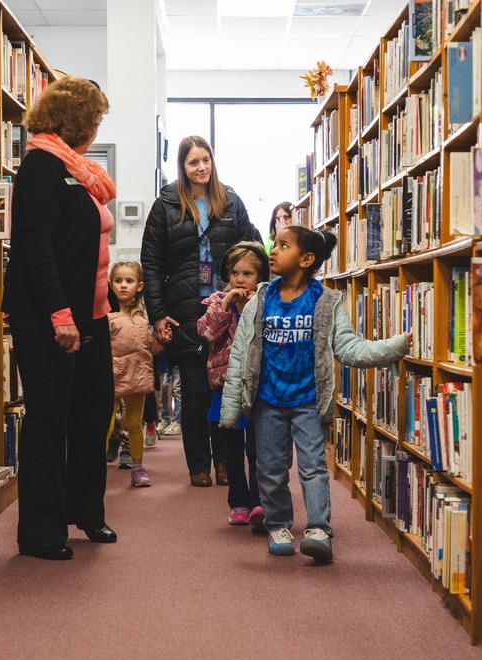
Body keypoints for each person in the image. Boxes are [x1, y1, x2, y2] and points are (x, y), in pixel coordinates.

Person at [219, 225, 411, 562]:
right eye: (274, 245)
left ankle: (319, 530)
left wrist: (394, 347)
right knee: (270, 468)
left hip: (308, 400)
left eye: (282, 245)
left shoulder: (327, 301)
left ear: (306, 259)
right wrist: (232, 409)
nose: (273, 251)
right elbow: (240, 355)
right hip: (268, 402)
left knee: (313, 467)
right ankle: (278, 526)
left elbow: (349, 348)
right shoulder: (260, 300)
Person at [1, 76, 118, 561]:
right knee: (49, 420)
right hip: (51, 316)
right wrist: (60, 315)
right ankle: (41, 530)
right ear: (78, 122)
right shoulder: (41, 167)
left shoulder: (80, 171)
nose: (95, 129)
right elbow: (36, 247)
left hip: (91, 314)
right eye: (94, 121)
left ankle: (85, 512)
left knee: (93, 414)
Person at [141, 135, 261, 487]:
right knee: (193, 393)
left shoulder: (231, 200)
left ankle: (225, 461)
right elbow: (151, 263)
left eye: (205, 160)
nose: (201, 167)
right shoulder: (166, 204)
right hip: (186, 313)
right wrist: (158, 314)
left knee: (223, 391)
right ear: (183, 166)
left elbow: (252, 245)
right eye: (193, 162)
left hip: (227, 312)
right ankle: (199, 465)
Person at [197, 241, 269, 528]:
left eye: (248, 273)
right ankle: (238, 502)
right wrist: (226, 305)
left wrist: (252, 306)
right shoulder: (218, 303)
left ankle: (259, 502)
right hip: (225, 389)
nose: (240, 279)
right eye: (235, 273)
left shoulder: (265, 303)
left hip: (257, 390)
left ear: (260, 277)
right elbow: (206, 333)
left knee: (257, 449)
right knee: (232, 451)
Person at [108, 261, 169, 487]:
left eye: (129, 281)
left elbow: (147, 350)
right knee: (105, 425)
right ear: (110, 284)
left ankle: (138, 467)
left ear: (140, 286)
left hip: (136, 378)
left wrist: (161, 342)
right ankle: (94, 468)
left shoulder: (143, 318)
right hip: (112, 378)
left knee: (134, 424)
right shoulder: (107, 316)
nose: (123, 286)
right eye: (118, 281)